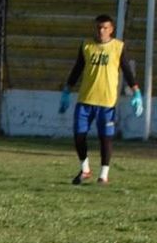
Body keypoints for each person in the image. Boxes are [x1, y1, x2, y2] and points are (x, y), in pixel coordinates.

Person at [59, 14, 143, 185]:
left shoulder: (117, 47)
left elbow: (127, 70)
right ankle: (85, 169)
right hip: (85, 100)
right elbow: (77, 69)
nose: (101, 31)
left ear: (111, 29)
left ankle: (104, 175)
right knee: (79, 135)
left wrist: (137, 93)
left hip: (107, 102)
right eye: (99, 27)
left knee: (105, 138)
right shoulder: (86, 46)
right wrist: (67, 90)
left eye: (105, 28)